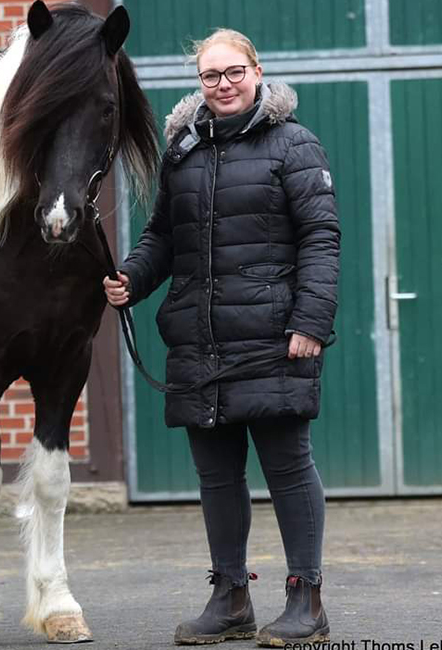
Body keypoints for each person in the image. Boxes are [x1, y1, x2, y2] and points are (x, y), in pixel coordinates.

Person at [104, 29, 339, 647]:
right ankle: (230, 596)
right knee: (216, 477)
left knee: (288, 468)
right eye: (211, 76)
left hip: (272, 338)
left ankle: (305, 598)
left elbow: (321, 239)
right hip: (200, 342)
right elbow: (163, 237)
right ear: (198, 83)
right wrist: (133, 276)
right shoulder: (181, 150)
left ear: (257, 72)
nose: (223, 85)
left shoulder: (294, 145)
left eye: (234, 72)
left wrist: (311, 323)